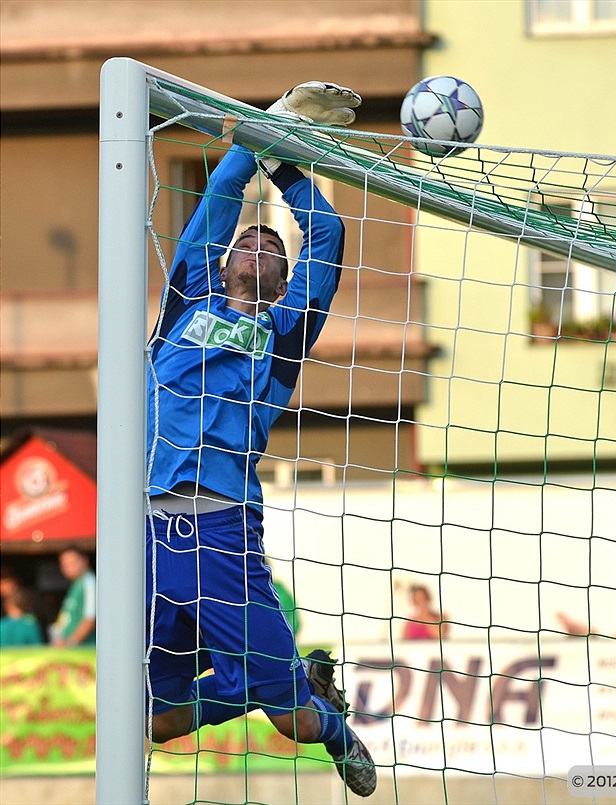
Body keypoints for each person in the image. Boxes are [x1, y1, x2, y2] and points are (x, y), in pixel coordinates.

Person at [145, 82, 376, 797]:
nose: (256, 244)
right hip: (143, 531)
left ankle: (327, 719)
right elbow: (220, 193)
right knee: (158, 721)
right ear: (221, 263)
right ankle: (285, 678)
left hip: (221, 528)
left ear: (281, 279)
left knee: (295, 725)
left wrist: (284, 160)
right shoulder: (187, 300)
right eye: (246, 239)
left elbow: (327, 236)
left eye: (271, 245)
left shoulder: (283, 333)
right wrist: (264, 129)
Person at [50, 546, 96, 646]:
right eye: (65, 565)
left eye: (73, 563)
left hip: (85, 650)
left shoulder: (89, 582)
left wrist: (71, 642)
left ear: (85, 561)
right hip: (72, 649)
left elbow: (91, 618)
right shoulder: (77, 583)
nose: (69, 568)